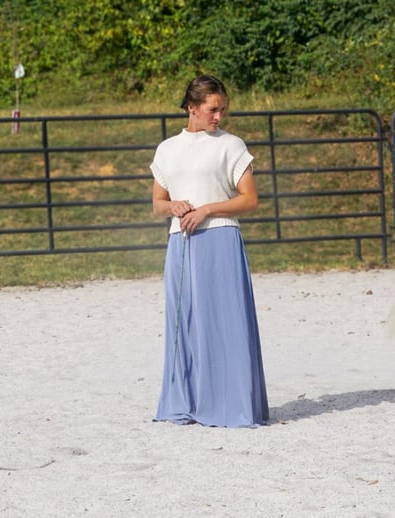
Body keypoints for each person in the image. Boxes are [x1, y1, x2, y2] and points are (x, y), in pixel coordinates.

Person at [151, 75, 269, 428]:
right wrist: (173, 207)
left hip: (221, 241)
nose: (219, 116)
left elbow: (250, 199)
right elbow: (157, 204)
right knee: (185, 323)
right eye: (212, 109)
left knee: (226, 324)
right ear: (192, 108)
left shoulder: (231, 145)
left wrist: (206, 209)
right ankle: (185, 403)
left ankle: (232, 404)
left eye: (222, 110)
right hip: (181, 243)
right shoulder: (167, 149)